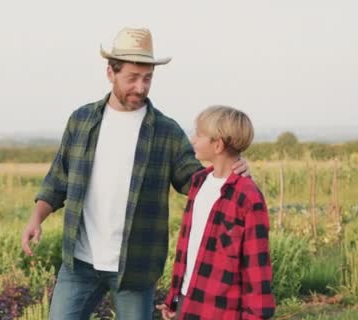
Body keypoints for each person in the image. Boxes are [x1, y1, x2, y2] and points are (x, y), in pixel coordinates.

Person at [21, 27, 250, 320]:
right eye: (132, 78)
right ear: (110, 73)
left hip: (136, 266)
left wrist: (231, 165)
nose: (141, 87)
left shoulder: (166, 131)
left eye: (147, 78)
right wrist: (36, 218)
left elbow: (193, 181)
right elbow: (58, 178)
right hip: (79, 264)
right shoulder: (81, 121)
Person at [157, 106, 275, 320]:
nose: (193, 139)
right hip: (188, 301)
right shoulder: (198, 182)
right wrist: (174, 299)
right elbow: (187, 249)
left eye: (199, 134)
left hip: (222, 311)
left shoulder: (248, 197)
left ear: (218, 144)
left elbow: (257, 268)